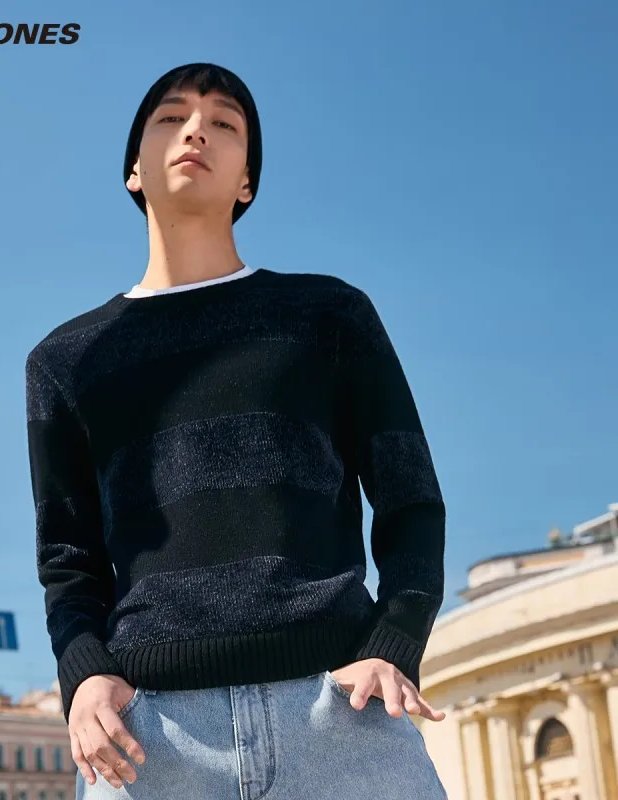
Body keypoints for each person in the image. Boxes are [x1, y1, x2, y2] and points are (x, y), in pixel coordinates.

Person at [25, 62, 448, 799]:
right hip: (150, 742)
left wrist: (395, 642)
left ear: (246, 181)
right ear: (134, 169)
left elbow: (410, 499)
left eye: (224, 123)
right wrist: (84, 673)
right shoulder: (66, 360)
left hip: (338, 720)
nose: (196, 130)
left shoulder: (329, 315)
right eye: (171, 117)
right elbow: (68, 558)